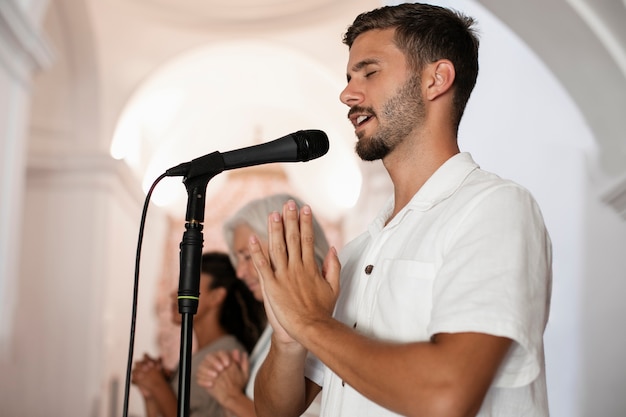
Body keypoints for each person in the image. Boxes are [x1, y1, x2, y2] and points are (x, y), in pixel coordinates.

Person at [249, 3, 553, 417]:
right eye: (349, 77)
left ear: (436, 80)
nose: (347, 94)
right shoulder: (357, 253)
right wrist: (289, 338)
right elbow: (274, 412)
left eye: (370, 72)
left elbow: (447, 394)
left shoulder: (494, 208)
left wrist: (311, 323)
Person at [195, 193, 330, 417]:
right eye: (238, 260)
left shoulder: (321, 313)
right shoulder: (275, 323)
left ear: (287, 241)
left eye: (247, 257)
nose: (239, 273)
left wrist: (231, 397)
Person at [131, 251, 266, 417]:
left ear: (216, 297)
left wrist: (158, 386)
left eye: (187, 285)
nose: (174, 294)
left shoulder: (226, 358)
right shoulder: (199, 355)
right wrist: (150, 392)